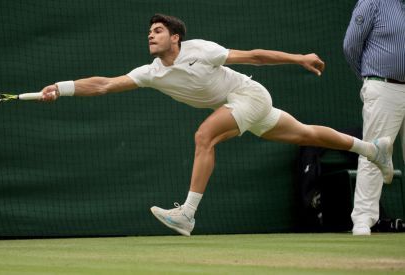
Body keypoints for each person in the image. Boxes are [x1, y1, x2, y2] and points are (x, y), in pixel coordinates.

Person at [41, 14, 393, 236]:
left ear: (175, 37)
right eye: (149, 31)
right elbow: (104, 84)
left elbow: (253, 56)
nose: (151, 35)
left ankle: (187, 215)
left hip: (249, 95)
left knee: (203, 136)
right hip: (240, 105)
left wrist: (298, 58)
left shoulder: (201, 50)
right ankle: (372, 149)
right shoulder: (151, 72)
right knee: (305, 133)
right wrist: (62, 88)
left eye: (158, 30)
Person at [343, 0, 405, 236]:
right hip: (383, 86)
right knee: (373, 152)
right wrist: (370, 77)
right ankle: (363, 219)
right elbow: (351, 46)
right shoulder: (373, 2)